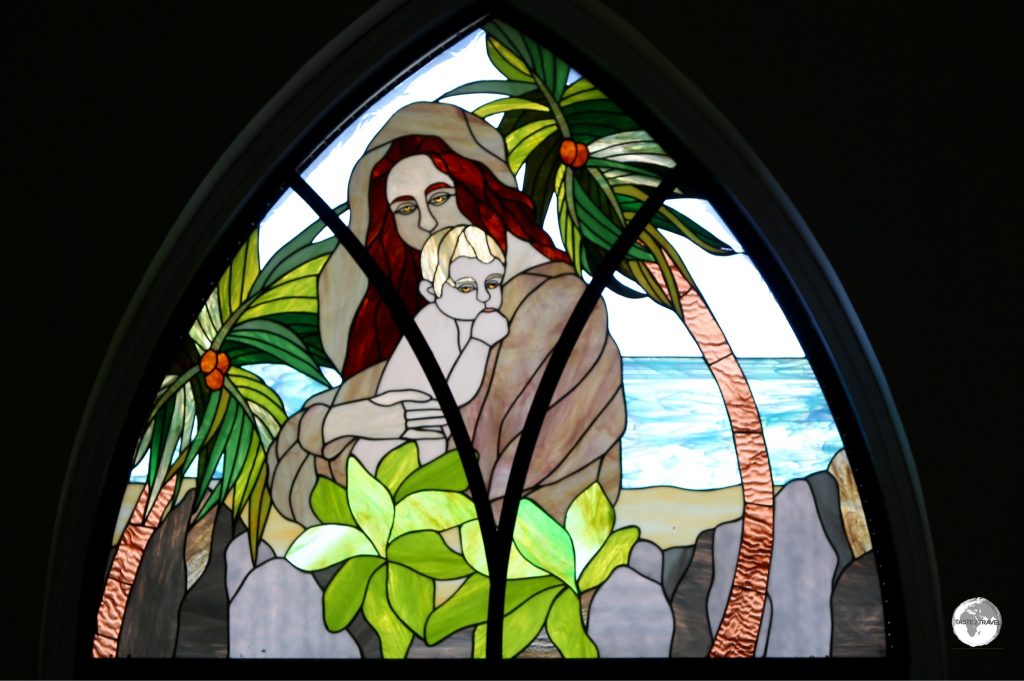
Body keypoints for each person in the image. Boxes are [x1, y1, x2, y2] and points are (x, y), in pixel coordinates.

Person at [267, 102, 625, 527]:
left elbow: (535, 476)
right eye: (405, 209)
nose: (427, 221)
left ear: (476, 188)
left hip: (504, 544)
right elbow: (294, 456)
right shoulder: (439, 312)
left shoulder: (560, 308)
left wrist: (344, 426)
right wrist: (358, 419)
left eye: (439, 196)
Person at [350, 225, 510, 471]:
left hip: (426, 442)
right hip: (389, 452)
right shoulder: (433, 323)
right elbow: (452, 396)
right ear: (430, 291)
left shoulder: (467, 320)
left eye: (492, 283)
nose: (484, 296)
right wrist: (481, 342)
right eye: (466, 287)